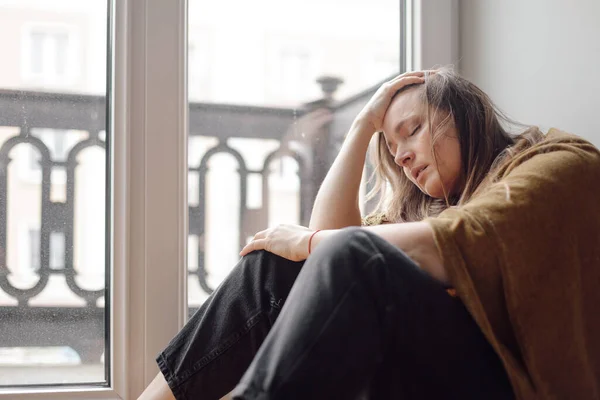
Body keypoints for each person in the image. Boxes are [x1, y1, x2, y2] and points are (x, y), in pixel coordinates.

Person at [138, 68, 600, 400]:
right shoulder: (427, 212)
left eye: (413, 130)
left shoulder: (561, 162)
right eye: (393, 149)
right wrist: (363, 126)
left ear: (465, 114)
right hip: (433, 368)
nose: (401, 157)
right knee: (274, 265)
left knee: (344, 251)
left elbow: (463, 238)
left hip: (516, 381)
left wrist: (314, 243)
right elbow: (320, 256)